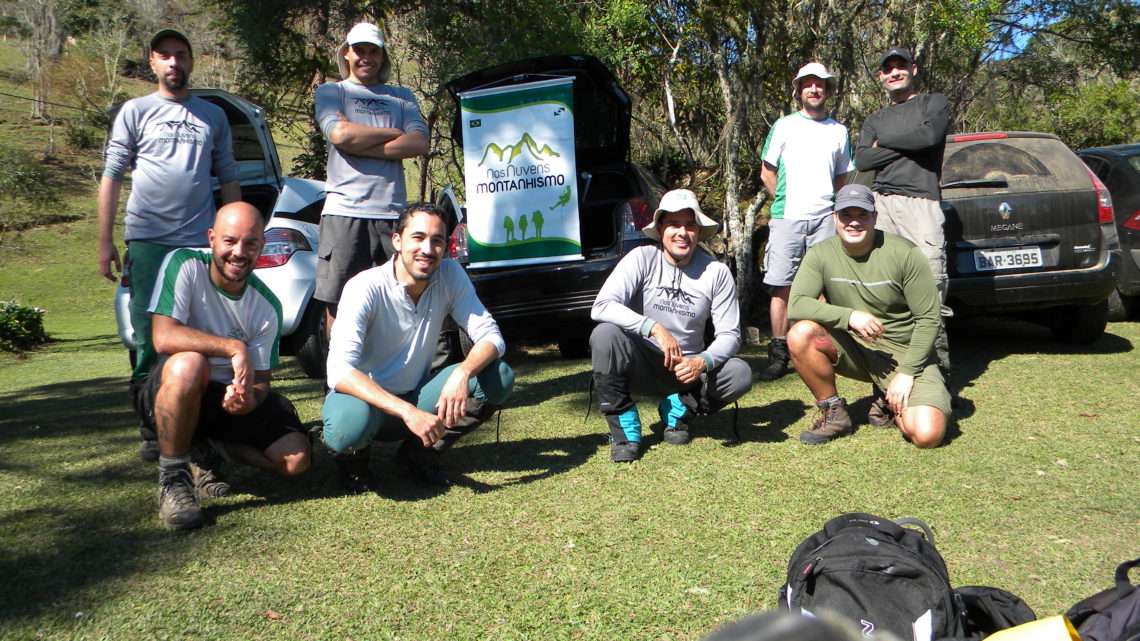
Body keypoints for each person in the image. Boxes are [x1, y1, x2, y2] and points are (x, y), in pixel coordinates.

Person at [98, 28, 241, 462]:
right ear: (153, 64)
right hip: (147, 240)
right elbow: (113, 175)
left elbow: (229, 176)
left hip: (197, 242)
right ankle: (150, 424)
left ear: (191, 62)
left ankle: (197, 420)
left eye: (181, 55)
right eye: (165, 56)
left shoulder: (212, 115)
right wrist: (105, 239)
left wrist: (233, 240)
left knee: (199, 331)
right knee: (147, 334)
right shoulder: (135, 111)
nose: (174, 62)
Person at [321, 203, 515, 491]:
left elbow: (491, 336)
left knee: (498, 375)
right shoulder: (364, 287)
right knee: (347, 427)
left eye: (437, 240)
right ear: (397, 241)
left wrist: (461, 373)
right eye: (418, 237)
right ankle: (356, 466)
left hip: (417, 396)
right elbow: (339, 371)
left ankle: (420, 453)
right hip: (368, 405)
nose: (428, 248)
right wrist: (408, 413)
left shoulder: (450, 274)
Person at [141, 202, 311, 531]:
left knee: (296, 462)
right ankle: (174, 478)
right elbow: (163, 337)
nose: (239, 252)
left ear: (261, 246)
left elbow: (262, 381)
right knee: (190, 364)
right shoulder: (184, 264)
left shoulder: (267, 306)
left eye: (250, 243)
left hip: (229, 399)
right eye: (230, 241)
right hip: (176, 387)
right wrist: (234, 347)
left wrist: (250, 399)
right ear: (212, 239)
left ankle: (218, 447)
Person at [590, 189, 753, 462]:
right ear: (661, 229)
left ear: (699, 231)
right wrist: (652, 327)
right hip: (642, 363)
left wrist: (702, 361)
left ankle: (678, 409)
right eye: (674, 224)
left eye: (690, 225)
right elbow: (602, 306)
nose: (682, 233)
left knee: (740, 373)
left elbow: (730, 335)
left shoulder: (716, 272)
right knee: (604, 334)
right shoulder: (642, 258)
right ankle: (624, 432)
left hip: (686, 372)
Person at [786, 184, 949, 448]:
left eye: (862, 215)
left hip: (904, 354)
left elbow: (929, 318)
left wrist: (907, 373)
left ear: (874, 217)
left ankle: (887, 397)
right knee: (800, 333)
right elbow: (796, 305)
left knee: (926, 436)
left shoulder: (904, 253)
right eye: (846, 215)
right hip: (856, 347)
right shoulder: (821, 254)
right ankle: (834, 414)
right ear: (834, 218)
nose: (854, 222)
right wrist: (850, 316)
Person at [313, 22, 430, 339]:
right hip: (344, 214)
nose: (366, 57)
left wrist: (361, 144)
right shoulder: (332, 92)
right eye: (359, 50)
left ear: (382, 55)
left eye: (373, 51)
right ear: (347, 53)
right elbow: (339, 134)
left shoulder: (401, 97)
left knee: (399, 301)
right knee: (339, 303)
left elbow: (419, 142)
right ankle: (337, 382)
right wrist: (394, 135)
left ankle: (394, 382)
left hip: (392, 215)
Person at [854, 46, 952, 380]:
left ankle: (936, 374)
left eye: (900, 66)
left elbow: (930, 135)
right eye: (887, 69)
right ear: (880, 77)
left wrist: (883, 146)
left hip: (921, 204)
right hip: (881, 205)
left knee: (930, 284)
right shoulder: (874, 119)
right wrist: (903, 144)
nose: (894, 72)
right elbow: (864, 161)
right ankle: (888, 377)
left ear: (913, 69)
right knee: (885, 286)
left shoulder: (932, 103)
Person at [758, 62, 855, 381]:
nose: (814, 89)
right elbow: (767, 171)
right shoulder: (784, 126)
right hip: (787, 219)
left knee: (825, 288)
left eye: (820, 85)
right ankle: (778, 353)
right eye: (808, 84)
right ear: (799, 90)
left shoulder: (839, 131)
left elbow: (843, 177)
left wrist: (835, 213)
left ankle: (824, 349)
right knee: (781, 286)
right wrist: (782, 203)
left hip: (825, 219)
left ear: (827, 91)